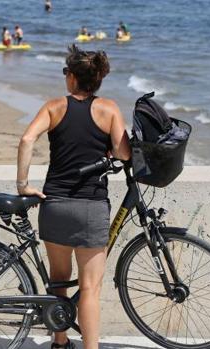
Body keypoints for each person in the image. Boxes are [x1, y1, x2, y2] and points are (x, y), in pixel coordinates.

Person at [16, 44, 131, 349]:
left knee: (58, 278)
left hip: (55, 205)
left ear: (71, 78)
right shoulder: (109, 109)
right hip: (91, 207)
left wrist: (23, 184)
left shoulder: (54, 107)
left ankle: (59, 342)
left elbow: (27, 138)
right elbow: (123, 152)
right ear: (97, 81)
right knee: (90, 288)